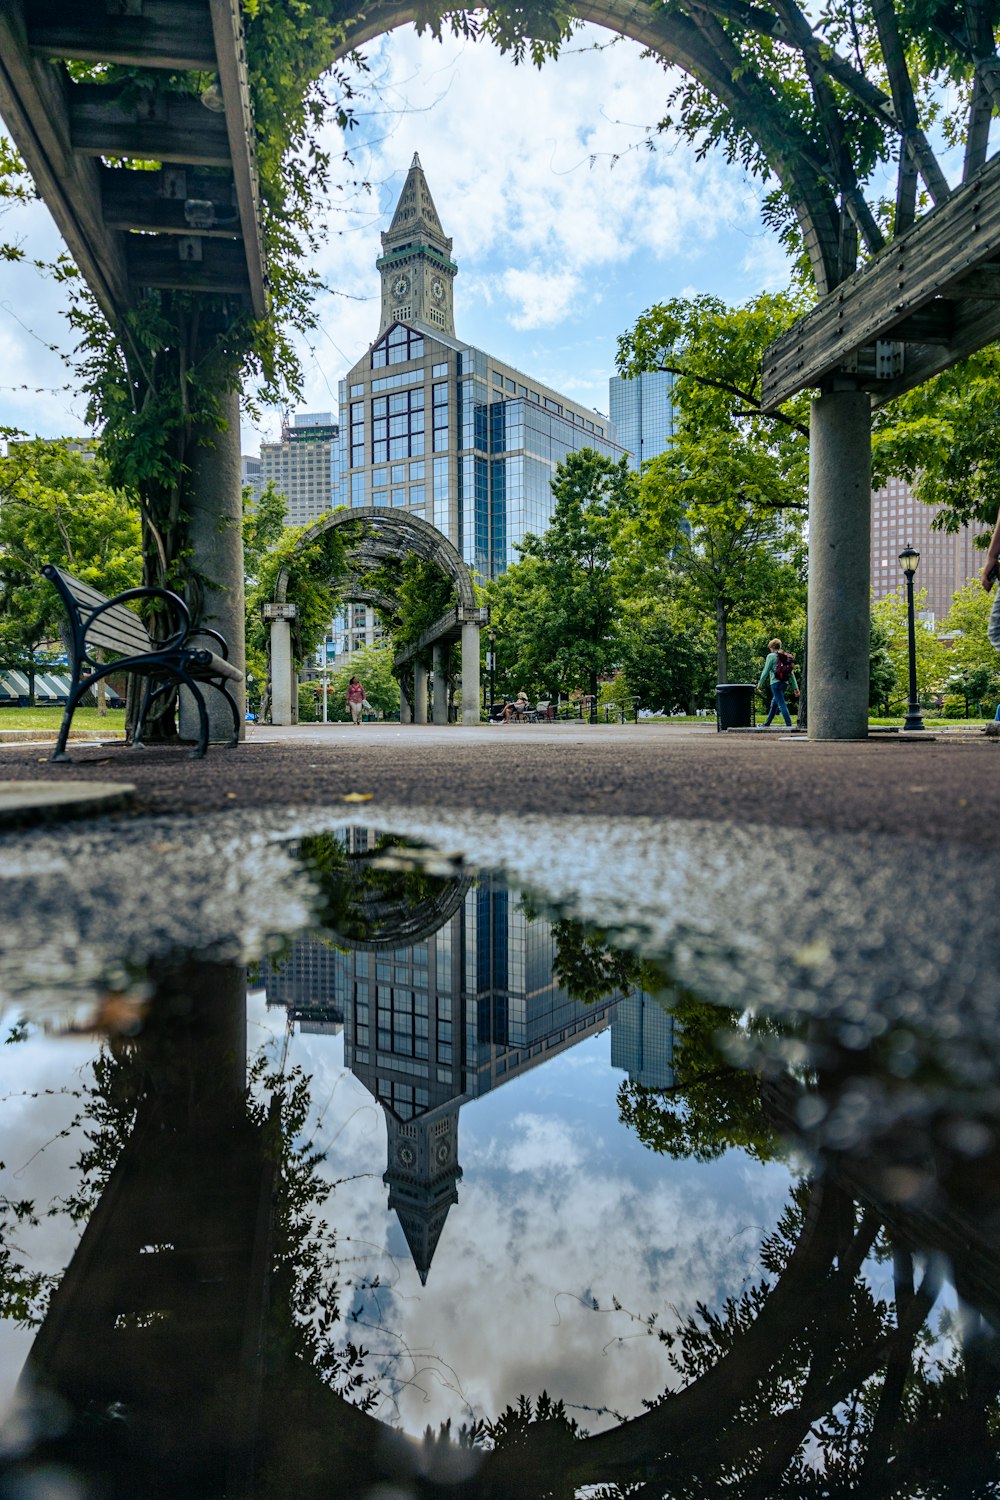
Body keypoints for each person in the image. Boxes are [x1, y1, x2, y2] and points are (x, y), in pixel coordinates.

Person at [758, 638, 799, 728]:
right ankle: (767, 724)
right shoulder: (784, 656)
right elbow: (791, 673)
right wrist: (795, 688)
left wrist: (760, 685)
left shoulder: (771, 656)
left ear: (772, 647)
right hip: (785, 683)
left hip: (775, 683)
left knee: (781, 703)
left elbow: (765, 671)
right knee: (774, 704)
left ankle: (789, 725)